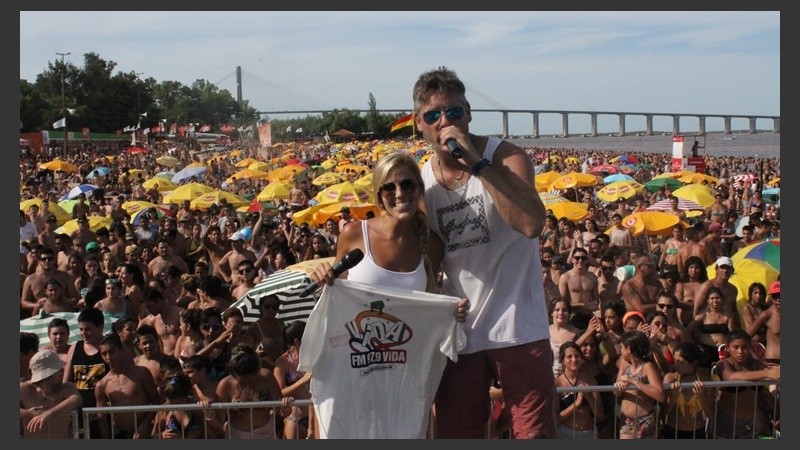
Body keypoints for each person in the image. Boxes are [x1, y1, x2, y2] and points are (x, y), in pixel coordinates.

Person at [414, 67, 555, 439]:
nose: (445, 122)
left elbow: (529, 224)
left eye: (454, 112)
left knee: (533, 434)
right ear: (420, 125)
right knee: (458, 433)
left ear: (469, 113)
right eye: (433, 115)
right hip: (461, 333)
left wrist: (477, 163)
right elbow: (430, 264)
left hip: (519, 327)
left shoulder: (505, 156)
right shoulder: (422, 182)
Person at [301, 149, 468, 438]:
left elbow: (426, 310)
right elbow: (337, 302)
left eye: (407, 184)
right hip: (355, 372)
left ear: (419, 189)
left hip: (400, 381)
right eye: (389, 187)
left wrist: (453, 313)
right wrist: (324, 279)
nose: (399, 192)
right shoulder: (354, 233)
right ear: (379, 196)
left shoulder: (433, 245)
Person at [710, 330, 780, 439]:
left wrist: (774, 371)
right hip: (726, 423)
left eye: (744, 347)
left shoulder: (755, 364)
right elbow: (731, 377)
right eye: (736, 347)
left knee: (762, 435)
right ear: (727, 347)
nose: (740, 351)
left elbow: (775, 373)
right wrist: (766, 373)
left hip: (750, 424)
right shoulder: (723, 364)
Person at [214, 343, 288, 439]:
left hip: (267, 433)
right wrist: (209, 413)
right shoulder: (224, 385)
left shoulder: (267, 377)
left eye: (251, 381)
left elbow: (280, 410)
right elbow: (219, 421)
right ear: (233, 375)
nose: (247, 385)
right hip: (237, 436)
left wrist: (286, 408)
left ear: (257, 371)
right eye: (242, 382)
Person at [94, 333, 161, 439]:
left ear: (120, 350)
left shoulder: (141, 373)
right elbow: (102, 418)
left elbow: (157, 402)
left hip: (145, 433)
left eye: (112, 352)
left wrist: (144, 425)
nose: (109, 357)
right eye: (104, 354)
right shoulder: (102, 384)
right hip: (121, 434)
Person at [62, 307, 107, 438]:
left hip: (103, 414)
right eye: (81, 329)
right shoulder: (75, 347)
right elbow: (66, 382)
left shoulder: (111, 348)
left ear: (100, 327)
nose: (84, 333)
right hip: (79, 414)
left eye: (88, 329)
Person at [613, 330, 665, 439]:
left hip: (645, 419)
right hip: (626, 419)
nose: (620, 351)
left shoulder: (647, 366)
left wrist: (635, 381)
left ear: (629, 349)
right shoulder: (624, 364)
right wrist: (619, 387)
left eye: (622, 347)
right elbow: (616, 393)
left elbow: (660, 395)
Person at [19, 349, 82, 439]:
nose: (62, 373)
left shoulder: (66, 387)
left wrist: (49, 413)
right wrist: (27, 413)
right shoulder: (23, 389)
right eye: (58, 371)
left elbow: (76, 399)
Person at [660, 342, 716, 439]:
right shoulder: (670, 378)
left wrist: (702, 397)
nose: (675, 365)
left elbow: (712, 416)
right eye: (674, 361)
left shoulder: (705, 381)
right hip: (672, 430)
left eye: (680, 362)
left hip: (696, 432)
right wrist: (672, 399)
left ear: (694, 363)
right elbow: (662, 413)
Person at [554, 342, 605, 439]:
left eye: (577, 356)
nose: (574, 360)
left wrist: (589, 397)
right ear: (562, 361)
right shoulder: (557, 383)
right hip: (566, 434)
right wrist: (577, 403)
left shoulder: (591, 380)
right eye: (569, 357)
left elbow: (600, 415)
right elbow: (556, 419)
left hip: (588, 433)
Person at [273, 320, 313, 439]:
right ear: (297, 341)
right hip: (296, 416)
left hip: (316, 415)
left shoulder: (314, 357)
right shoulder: (282, 362)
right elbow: (278, 392)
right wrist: (303, 380)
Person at [151, 372, 205, 439]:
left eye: (179, 403)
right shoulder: (164, 411)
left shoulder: (197, 406)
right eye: (172, 403)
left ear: (186, 395)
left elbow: (211, 432)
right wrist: (162, 435)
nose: (176, 406)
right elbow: (153, 435)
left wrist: (207, 406)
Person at [558, 247, 601, 330]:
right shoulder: (565, 277)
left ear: (587, 260)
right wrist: (582, 305)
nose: (580, 260)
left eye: (583, 258)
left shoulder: (592, 277)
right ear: (572, 260)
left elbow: (596, 301)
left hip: (588, 315)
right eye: (577, 258)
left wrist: (592, 306)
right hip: (572, 316)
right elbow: (562, 302)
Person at [746, 280, 780, 365]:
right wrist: (757, 358)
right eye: (775, 296)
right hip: (773, 361)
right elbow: (744, 337)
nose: (779, 299)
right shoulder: (767, 315)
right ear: (771, 298)